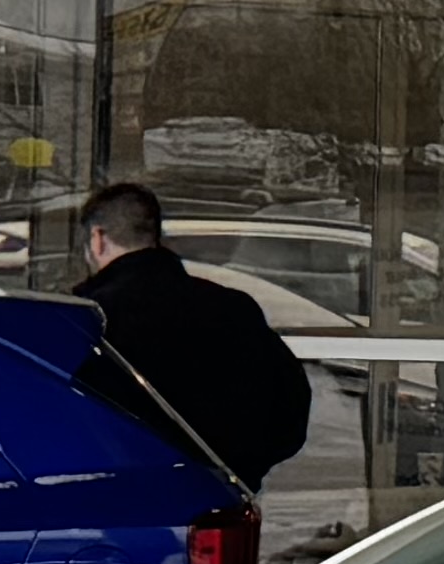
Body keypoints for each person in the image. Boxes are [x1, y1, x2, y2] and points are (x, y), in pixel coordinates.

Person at [74, 182, 315, 495]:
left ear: (97, 239)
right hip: (221, 499)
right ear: (153, 236)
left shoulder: (90, 319)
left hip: (120, 496)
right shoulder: (233, 308)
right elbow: (291, 405)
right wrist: (243, 468)